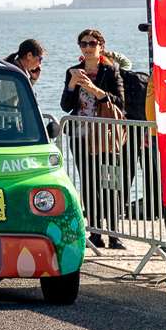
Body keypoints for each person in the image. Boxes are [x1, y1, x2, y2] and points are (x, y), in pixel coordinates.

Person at [61, 28, 127, 249]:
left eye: (92, 43)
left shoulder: (111, 70)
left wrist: (95, 90)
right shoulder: (73, 71)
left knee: (110, 183)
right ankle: (95, 232)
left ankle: (114, 234)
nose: (88, 48)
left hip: (105, 135)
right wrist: (72, 85)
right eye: (83, 44)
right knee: (89, 183)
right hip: (81, 135)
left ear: (101, 46)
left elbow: (120, 102)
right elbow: (65, 106)